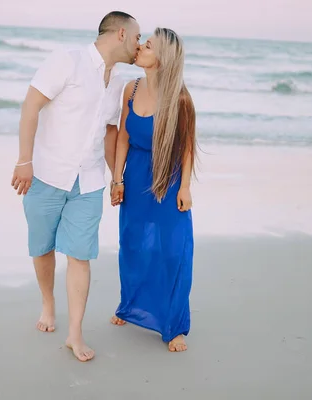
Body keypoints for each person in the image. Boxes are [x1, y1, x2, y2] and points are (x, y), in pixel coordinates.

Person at [10, 11, 141, 362]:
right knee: (42, 247)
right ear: (121, 33)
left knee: (81, 255)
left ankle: (75, 333)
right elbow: (31, 106)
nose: (139, 45)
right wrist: (25, 161)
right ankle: (48, 304)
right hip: (47, 174)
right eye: (137, 37)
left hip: (90, 180)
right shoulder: (66, 60)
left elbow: (111, 132)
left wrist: (117, 177)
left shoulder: (118, 83)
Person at [110, 27, 196, 352]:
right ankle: (129, 305)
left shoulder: (181, 99)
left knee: (173, 250)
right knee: (132, 244)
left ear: (161, 59)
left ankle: (174, 326)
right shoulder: (130, 89)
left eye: (147, 46)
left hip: (167, 180)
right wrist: (116, 179)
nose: (139, 48)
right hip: (135, 176)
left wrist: (185, 187)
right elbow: (123, 136)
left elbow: (187, 147)